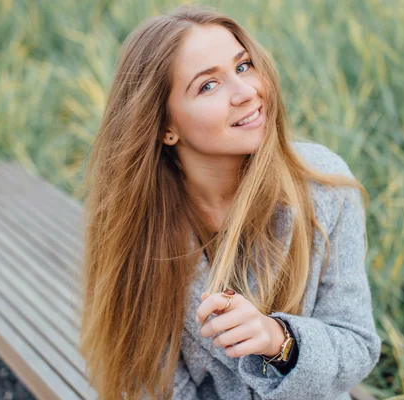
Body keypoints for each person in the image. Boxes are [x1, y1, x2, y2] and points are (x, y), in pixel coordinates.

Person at [79, 4, 381, 400]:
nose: (247, 92)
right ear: (165, 126)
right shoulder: (139, 219)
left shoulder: (322, 185)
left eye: (243, 66)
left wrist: (279, 340)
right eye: (208, 85)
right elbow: (145, 380)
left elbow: (358, 346)